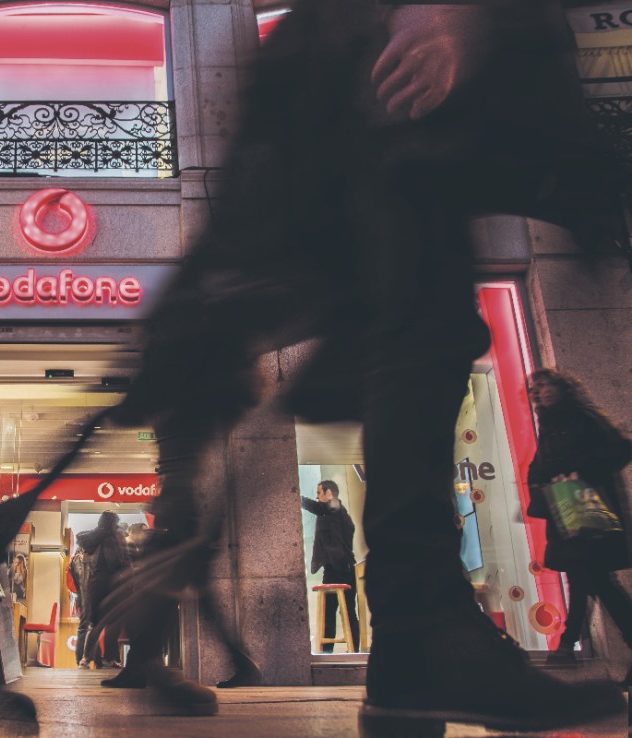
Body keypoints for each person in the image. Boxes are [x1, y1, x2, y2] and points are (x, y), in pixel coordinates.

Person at [88, 0, 625, 728]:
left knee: (419, 305)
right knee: (420, 306)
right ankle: (419, 637)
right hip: (371, 73)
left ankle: (418, 640)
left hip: (358, 98)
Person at [525, 368, 632, 678]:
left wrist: (579, 471)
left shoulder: (582, 416)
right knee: (596, 581)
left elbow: (619, 448)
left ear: (562, 386)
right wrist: (547, 481)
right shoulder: (548, 423)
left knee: (585, 576)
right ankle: (566, 648)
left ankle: (565, 647)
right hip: (567, 511)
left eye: (544, 384)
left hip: (586, 511)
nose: (538, 391)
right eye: (534, 388)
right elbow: (538, 466)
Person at [301, 480, 360, 653]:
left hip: (341, 569)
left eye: (319, 493)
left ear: (329, 494)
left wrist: (295, 496)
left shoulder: (334, 507)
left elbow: (320, 508)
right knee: (334, 612)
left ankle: (349, 651)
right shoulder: (336, 514)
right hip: (337, 568)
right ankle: (332, 651)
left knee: (345, 612)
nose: (317, 497)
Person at [76, 511, 129, 667]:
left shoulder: (93, 539)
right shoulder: (109, 540)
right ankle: (109, 658)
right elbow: (113, 563)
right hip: (109, 586)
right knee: (114, 623)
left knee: (96, 624)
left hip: (94, 585)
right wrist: (125, 562)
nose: (117, 526)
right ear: (111, 524)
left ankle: (85, 659)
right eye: (116, 523)